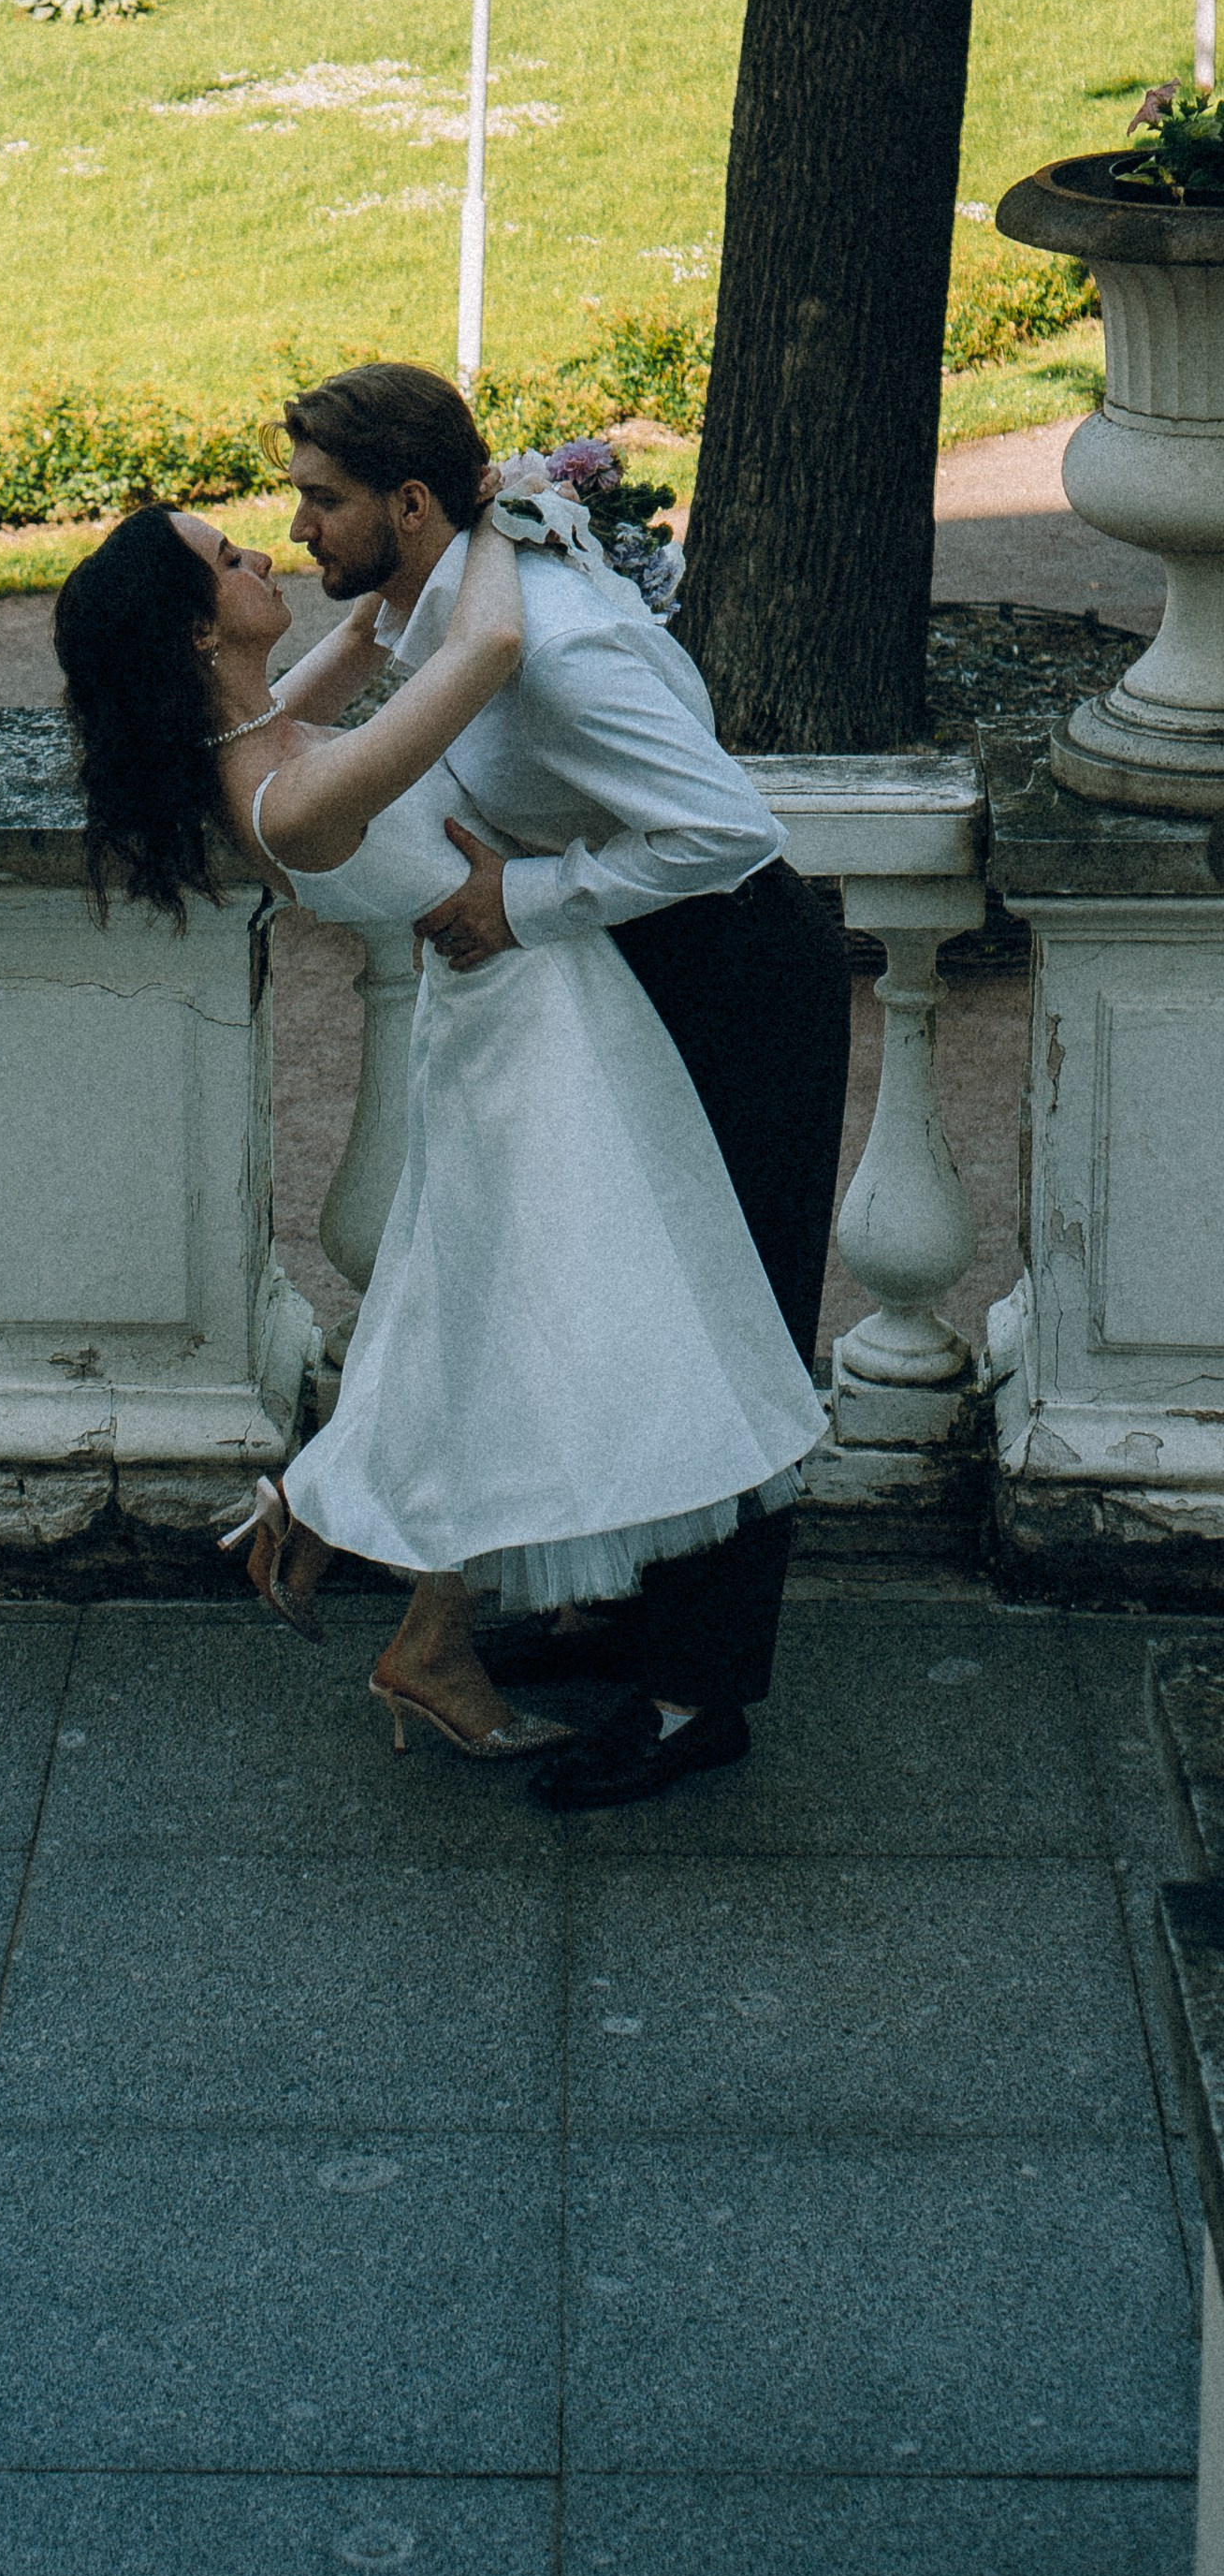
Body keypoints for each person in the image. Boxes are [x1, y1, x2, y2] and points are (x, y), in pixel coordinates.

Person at [53, 467, 833, 1803]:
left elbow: (371, 637)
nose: (271, 556)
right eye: (234, 557)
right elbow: (484, 648)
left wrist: (463, 528)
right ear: (199, 631)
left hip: (523, 1020)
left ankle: (375, 1562)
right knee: (575, 1331)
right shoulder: (293, 793)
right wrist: (501, 513)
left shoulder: (259, 729)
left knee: (474, 1319)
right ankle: (409, 1583)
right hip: (533, 1034)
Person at [265, 359, 851, 1808]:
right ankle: (633, 1615)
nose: (298, 533)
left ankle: (690, 1700)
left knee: (720, 1326)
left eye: (323, 503)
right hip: (638, 977)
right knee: (617, 1311)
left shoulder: (557, 637)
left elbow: (724, 823)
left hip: (738, 985)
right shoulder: (459, 596)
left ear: (412, 503)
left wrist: (527, 898)